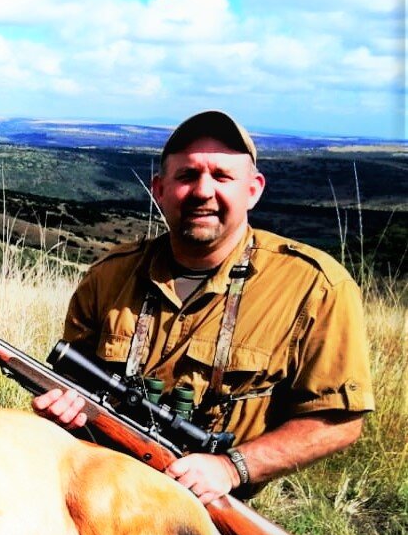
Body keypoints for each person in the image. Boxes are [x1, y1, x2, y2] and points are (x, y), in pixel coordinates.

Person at [33, 110, 374, 504]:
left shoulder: (315, 286)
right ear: (159, 189)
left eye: (222, 176)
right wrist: (64, 411)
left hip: (212, 505)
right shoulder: (109, 276)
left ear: (253, 189)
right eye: (187, 175)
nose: (202, 191)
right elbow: (77, 387)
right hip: (99, 486)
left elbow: (339, 420)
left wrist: (231, 468)